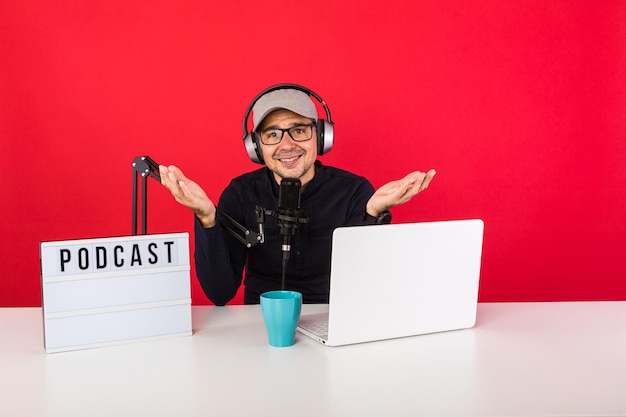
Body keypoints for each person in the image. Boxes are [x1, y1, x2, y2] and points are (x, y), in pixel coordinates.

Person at [159, 84, 436, 305]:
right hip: (260, 324)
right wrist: (207, 218)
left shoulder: (354, 192)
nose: (286, 145)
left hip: (335, 318)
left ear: (321, 136)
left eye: (299, 130)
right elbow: (219, 294)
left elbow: (367, 284)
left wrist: (373, 214)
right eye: (272, 135)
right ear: (256, 147)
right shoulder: (241, 193)